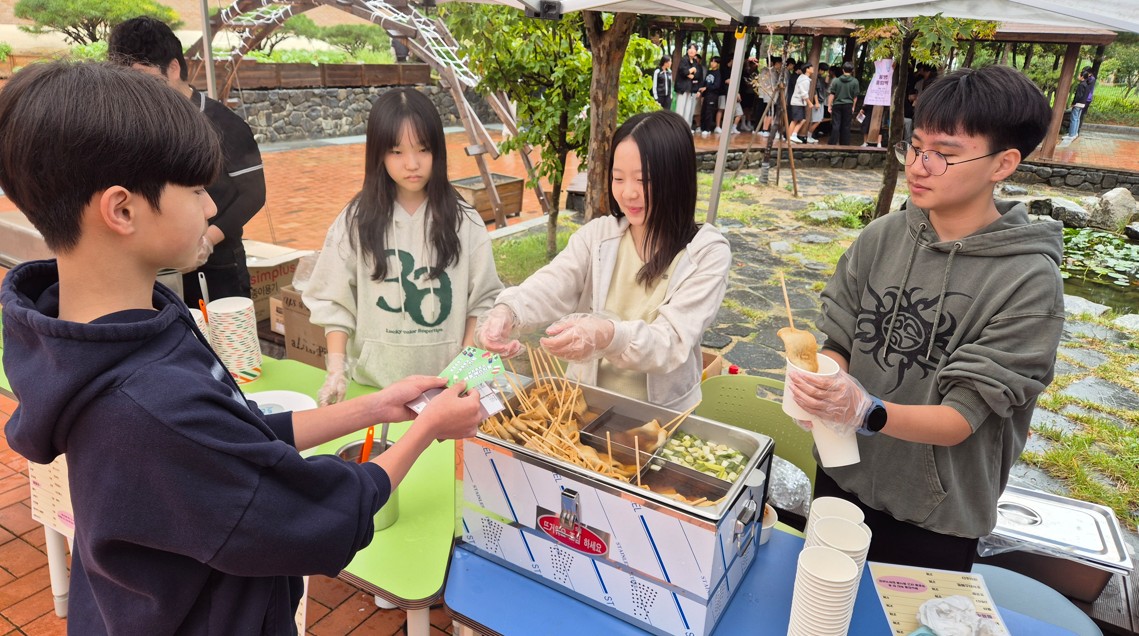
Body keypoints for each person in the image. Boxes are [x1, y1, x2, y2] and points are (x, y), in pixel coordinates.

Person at [0, 60, 484, 633]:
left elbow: (236, 437)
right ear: (122, 208)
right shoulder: (150, 405)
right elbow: (315, 515)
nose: (211, 208)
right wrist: (428, 429)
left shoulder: (121, 330)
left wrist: (374, 407)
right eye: (200, 189)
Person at [786, 64, 1061, 572]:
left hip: (934, 514)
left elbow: (961, 418)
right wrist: (824, 385)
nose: (919, 166)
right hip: (841, 478)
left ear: (1003, 164)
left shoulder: (1028, 282)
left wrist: (866, 411)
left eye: (944, 155)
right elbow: (841, 335)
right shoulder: (885, 235)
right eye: (916, 148)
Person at [475, 110, 731, 410]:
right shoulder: (599, 236)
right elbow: (553, 282)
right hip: (585, 404)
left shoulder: (706, 253)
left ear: (677, 179)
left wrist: (607, 334)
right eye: (618, 178)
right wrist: (508, 310)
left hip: (663, 417)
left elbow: (671, 342)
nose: (628, 192)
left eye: (643, 180)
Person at [303, 88, 504, 405]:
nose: (412, 164)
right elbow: (333, 301)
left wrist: (465, 368)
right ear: (378, 155)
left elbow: (483, 302)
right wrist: (336, 370)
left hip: (445, 392)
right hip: (373, 389)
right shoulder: (355, 221)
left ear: (437, 151)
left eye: (422, 149)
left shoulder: (465, 221)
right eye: (397, 152)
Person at [109, 17, 266, 308]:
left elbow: (254, 194)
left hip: (218, 266)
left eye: (144, 79)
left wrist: (206, 240)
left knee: (222, 350)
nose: (138, 92)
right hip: (156, 269)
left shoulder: (222, 123)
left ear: (173, 68)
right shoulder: (136, 125)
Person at [828, 61, 860, 146]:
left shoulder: (837, 81)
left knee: (836, 124)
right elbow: (855, 97)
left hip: (837, 104)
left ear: (843, 70)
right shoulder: (855, 81)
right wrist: (853, 106)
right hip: (848, 105)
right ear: (852, 70)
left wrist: (829, 105)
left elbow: (832, 94)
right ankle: (844, 144)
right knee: (846, 125)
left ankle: (832, 142)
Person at [675, 45, 704, 133]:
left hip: (691, 89)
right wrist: (691, 70)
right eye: (690, 48)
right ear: (687, 50)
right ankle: (677, 128)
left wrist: (691, 73)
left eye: (694, 49)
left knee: (688, 109)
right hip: (683, 88)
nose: (691, 50)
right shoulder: (684, 59)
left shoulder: (695, 62)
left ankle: (686, 128)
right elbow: (683, 71)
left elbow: (698, 75)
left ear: (696, 52)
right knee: (680, 109)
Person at [787, 63, 815, 143]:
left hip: (798, 102)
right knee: (795, 120)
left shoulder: (803, 78)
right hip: (797, 102)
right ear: (807, 69)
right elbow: (804, 93)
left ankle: (793, 135)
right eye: (811, 68)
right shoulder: (805, 80)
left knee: (801, 120)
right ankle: (789, 138)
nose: (813, 69)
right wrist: (809, 103)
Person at [698, 56, 723, 137]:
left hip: (713, 95)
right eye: (711, 61)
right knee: (704, 111)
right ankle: (702, 127)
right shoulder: (709, 72)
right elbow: (704, 83)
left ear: (718, 64)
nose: (712, 63)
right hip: (706, 95)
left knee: (709, 111)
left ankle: (707, 129)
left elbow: (717, 85)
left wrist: (707, 88)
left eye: (714, 62)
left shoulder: (718, 73)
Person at [1068, 68, 1095, 139]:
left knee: (1073, 119)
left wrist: (1073, 103)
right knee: (1077, 119)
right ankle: (1075, 133)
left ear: (1082, 77)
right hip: (1083, 104)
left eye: (1079, 75)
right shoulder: (1086, 84)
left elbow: (1078, 95)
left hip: (1078, 104)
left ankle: (1071, 134)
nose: (1078, 76)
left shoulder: (1081, 85)